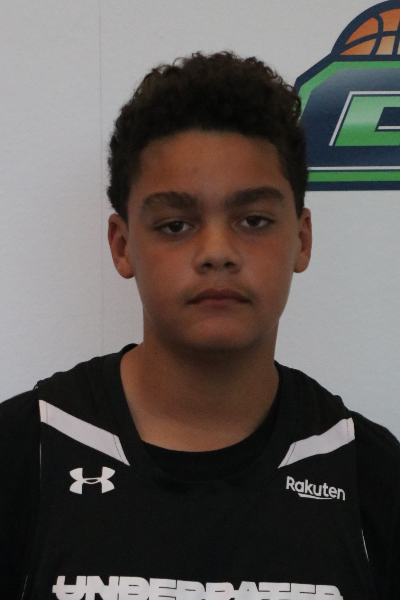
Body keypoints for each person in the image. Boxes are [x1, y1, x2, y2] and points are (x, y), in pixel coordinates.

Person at [0, 51, 399, 600]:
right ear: (122, 245)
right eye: (175, 225)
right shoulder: (28, 452)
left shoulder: (369, 473)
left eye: (253, 220)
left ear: (302, 239)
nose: (217, 252)